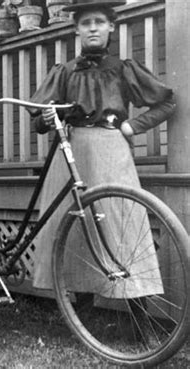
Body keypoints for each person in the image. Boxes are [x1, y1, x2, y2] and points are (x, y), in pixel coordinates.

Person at [28, 0, 175, 299]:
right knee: (74, 225)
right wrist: (46, 117)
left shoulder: (123, 69)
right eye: (85, 23)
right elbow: (40, 122)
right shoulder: (65, 72)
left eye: (98, 21)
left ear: (111, 26)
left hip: (111, 151)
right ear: (76, 30)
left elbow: (167, 102)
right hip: (71, 152)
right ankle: (78, 309)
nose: (92, 28)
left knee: (123, 222)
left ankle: (139, 308)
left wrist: (132, 126)